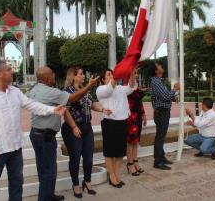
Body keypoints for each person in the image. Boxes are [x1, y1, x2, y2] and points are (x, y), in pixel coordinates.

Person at [0, 61, 66, 201]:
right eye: (9, 69)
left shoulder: (15, 92)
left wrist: (52, 109)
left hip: (15, 148)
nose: (12, 72)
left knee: (17, 183)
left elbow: (31, 105)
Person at [26, 66, 99, 201]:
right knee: (49, 170)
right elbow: (72, 99)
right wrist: (89, 86)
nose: (54, 76)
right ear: (48, 79)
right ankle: (45, 198)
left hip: (36, 133)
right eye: (53, 74)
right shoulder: (53, 92)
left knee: (44, 169)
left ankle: (49, 195)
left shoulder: (34, 89)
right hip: (45, 136)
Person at [62, 67, 112, 198]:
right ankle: (76, 184)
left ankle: (87, 182)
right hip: (72, 129)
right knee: (75, 158)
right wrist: (73, 127)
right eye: (80, 74)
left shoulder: (86, 90)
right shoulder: (67, 91)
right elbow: (66, 110)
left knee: (88, 158)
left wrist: (102, 109)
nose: (83, 75)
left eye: (83, 73)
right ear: (73, 76)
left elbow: (91, 104)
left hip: (86, 128)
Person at [96, 68, 136, 188]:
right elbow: (109, 89)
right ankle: (112, 175)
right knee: (109, 151)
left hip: (122, 121)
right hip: (109, 122)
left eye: (112, 74)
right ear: (103, 79)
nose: (112, 76)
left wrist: (132, 75)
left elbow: (130, 88)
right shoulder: (101, 89)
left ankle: (116, 174)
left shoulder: (119, 88)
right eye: (109, 75)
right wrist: (117, 76)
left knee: (120, 151)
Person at [150, 62, 180, 170]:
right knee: (160, 137)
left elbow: (164, 97)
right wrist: (175, 89)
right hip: (162, 112)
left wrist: (172, 96)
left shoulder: (159, 81)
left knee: (160, 136)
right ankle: (158, 161)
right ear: (156, 70)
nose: (162, 67)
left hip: (162, 111)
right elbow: (166, 96)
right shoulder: (157, 82)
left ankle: (161, 158)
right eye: (159, 66)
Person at [126, 68, 147, 176]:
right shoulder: (126, 85)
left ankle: (135, 162)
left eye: (136, 73)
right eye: (134, 73)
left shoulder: (136, 84)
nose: (136, 75)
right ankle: (129, 164)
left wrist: (143, 114)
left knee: (136, 140)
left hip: (137, 115)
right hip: (130, 116)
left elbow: (139, 101)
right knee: (130, 141)